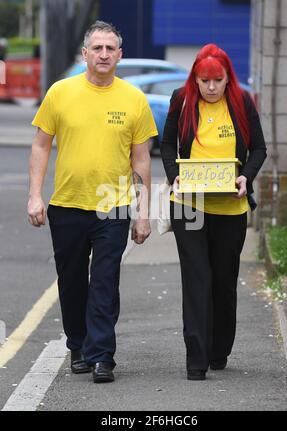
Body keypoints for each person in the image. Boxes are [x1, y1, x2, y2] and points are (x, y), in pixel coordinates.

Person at [27, 21, 157, 383]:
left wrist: (143, 213)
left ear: (120, 55)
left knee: (104, 282)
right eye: (96, 48)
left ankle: (102, 356)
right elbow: (41, 145)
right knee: (71, 282)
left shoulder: (133, 99)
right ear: (84, 54)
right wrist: (35, 195)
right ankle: (78, 346)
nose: (103, 54)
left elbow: (142, 159)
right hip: (67, 205)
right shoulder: (60, 93)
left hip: (112, 208)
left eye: (110, 48)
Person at [160, 43, 267, 381]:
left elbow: (259, 149)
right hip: (190, 206)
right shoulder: (181, 99)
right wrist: (173, 175)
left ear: (226, 79)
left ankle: (219, 349)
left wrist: (245, 177)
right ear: (195, 78)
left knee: (222, 282)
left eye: (216, 81)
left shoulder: (241, 101)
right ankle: (196, 359)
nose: (209, 87)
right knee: (196, 280)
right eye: (203, 81)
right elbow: (166, 144)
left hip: (229, 208)